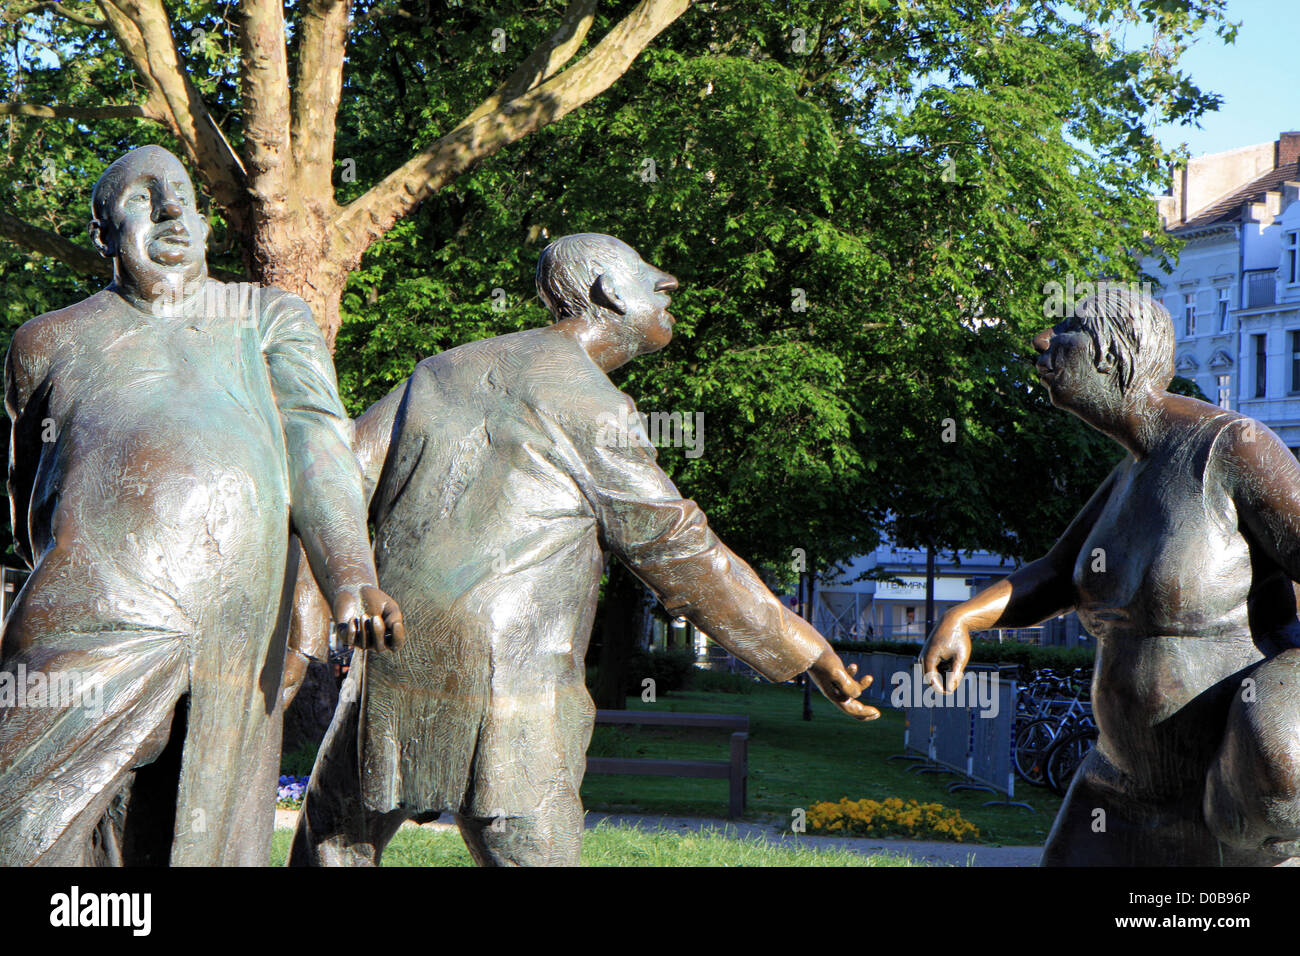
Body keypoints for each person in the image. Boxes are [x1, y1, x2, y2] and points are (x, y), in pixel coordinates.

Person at [289, 233, 876, 867]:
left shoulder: (439, 369)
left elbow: (335, 479)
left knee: (334, 841)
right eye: (651, 277)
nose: (668, 285)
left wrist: (311, 613)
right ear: (607, 293)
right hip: (513, 683)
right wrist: (803, 646)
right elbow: (682, 552)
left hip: (393, 659)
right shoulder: (595, 407)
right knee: (525, 848)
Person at [0, 145, 403, 866]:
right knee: (20, 827)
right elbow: (33, 491)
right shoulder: (46, 340)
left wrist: (349, 576)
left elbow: (317, 445)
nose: (172, 209)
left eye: (184, 194)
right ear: (103, 232)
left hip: (229, 621)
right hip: (83, 615)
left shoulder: (265, 316)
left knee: (191, 837)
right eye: (143, 196)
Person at [922, 285, 1300, 865]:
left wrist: (1278, 726)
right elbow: (1053, 574)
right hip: (1120, 785)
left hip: (1227, 805)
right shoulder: (1131, 472)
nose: (1041, 343)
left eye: (1067, 328)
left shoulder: (1234, 449)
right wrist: (965, 616)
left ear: (1113, 350)